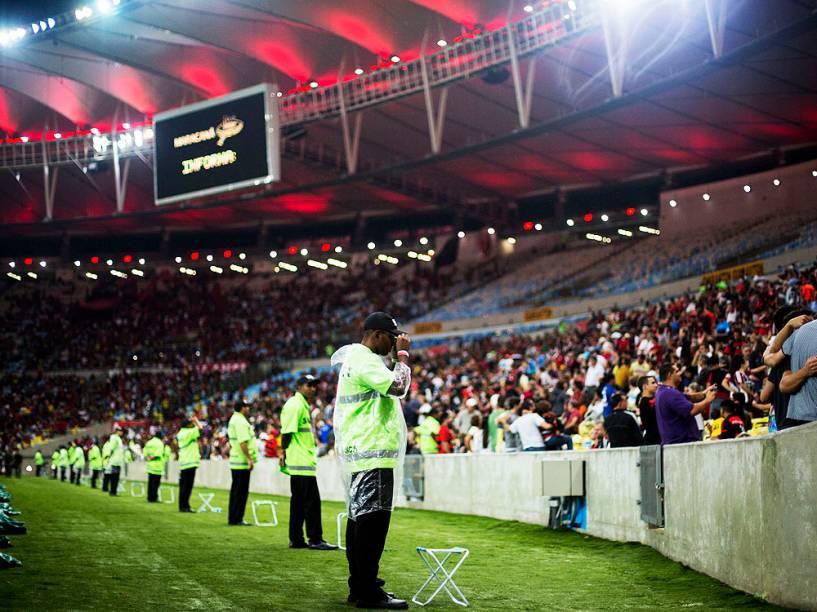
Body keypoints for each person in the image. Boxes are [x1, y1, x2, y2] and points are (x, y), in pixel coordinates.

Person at [332, 311, 411, 609]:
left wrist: (394, 357)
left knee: (359, 522)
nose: (393, 344)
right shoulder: (364, 359)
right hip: (373, 454)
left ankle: (361, 584)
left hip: (362, 454)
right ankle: (366, 590)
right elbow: (398, 387)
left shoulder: (359, 360)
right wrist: (402, 356)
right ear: (376, 334)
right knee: (372, 526)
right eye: (391, 338)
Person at [280, 374, 336, 550]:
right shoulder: (295, 405)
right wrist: (283, 452)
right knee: (311, 503)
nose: (313, 388)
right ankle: (315, 539)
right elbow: (287, 433)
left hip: (300, 462)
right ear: (299, 387)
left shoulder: (301, 405)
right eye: (309, 385)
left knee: (297, 503)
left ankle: (296, 539)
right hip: (301, 462)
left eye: (314, 385)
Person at [655, 364, 716, 445]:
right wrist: (707, 400)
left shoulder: (663, 391)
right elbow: (692, 410)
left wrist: (705, 392)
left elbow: (690, 397)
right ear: (669, 375)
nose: (680, 373)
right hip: (682, 443)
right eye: (677, 371)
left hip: (675, 443)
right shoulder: (670, 393)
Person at [780, 319, 817, 428]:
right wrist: (806, 371)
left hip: (797, 419)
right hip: (809, 421)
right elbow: (783, 385)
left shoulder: (798, 332)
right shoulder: (799, 333)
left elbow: (784, 385)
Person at [228, 401, 256, 526]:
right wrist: (249, 459)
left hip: (236, 460)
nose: (248, 408)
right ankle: (237, 518)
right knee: (241, 492)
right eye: (247, 406)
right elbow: (243, 442)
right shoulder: (240, 421)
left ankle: (233, 517)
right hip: (241, 461)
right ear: (242, 408)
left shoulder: (234, 419)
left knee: (235, 491)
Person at [176, 416, 203, 513]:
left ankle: (182, 505)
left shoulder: (180, 433)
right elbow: (201, 428)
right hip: (190, 462)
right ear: (188, 425)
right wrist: (196, 420)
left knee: (183, 486)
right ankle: (185, 506)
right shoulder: (189, 432)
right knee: (187, 486)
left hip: (184, 462)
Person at [638, 375, 661, 445]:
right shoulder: (644, 403)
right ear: (645, 386)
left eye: (656, 382)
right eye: (653, 383)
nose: (656, 385)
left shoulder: (655, 399)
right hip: (653, 441)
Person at [143, 431, 165, 503]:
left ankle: (149, 497)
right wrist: (152, 458)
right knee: (155, 484)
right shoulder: (159, 443)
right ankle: (153, 498)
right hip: (157, 466)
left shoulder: (149, 442)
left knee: (150, 483)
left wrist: (148, 458)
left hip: (150, 466)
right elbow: (158, 454)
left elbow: (145, 452)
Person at [108, 426, 125, 496]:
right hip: (115, 460)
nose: (122, 432)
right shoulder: (114, 438)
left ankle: (114, 491)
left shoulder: (118, 438)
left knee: (116, 477)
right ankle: (112, 492)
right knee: (114, 477)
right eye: (121, 431)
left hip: (118, 461)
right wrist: (110, 457)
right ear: (117, 431)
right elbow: (112, 449)